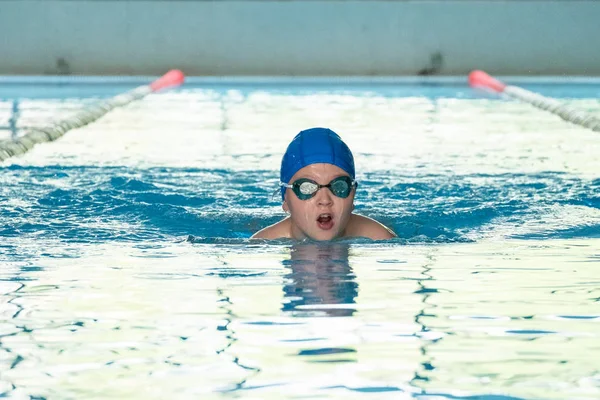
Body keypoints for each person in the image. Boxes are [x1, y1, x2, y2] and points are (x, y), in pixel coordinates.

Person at [251, 127, 396, 241]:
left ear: (353, 194)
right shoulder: (261, 246)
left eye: (339, 186)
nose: (325, 200)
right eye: (306, 187)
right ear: (285, 201)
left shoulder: (381, 240)